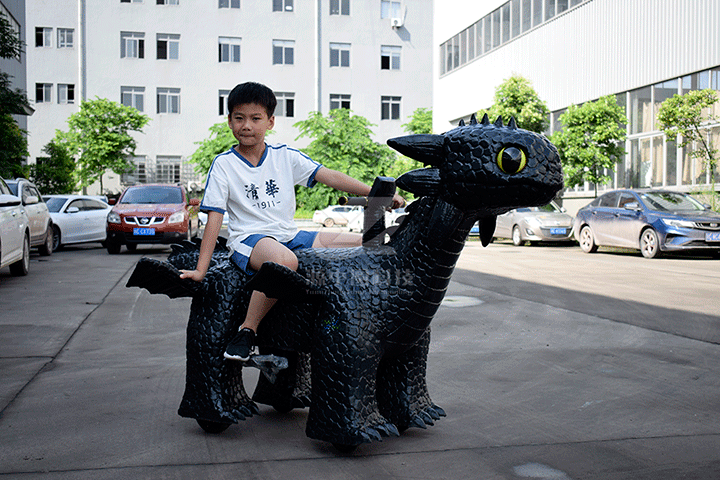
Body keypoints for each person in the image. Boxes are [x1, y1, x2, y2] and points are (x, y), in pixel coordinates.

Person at [179, 82, 404, 361]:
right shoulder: (225, 164)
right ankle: (247, 331)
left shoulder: (285, 156)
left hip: (290, 234)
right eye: (239, 118)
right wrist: (201, 270)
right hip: (251, 240)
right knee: (285, 261)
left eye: (255, 118)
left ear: (270, 122)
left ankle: (340, 324)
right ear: (229, 121)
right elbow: (215, 217)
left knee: (367, 245)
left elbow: (330, 176)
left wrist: (377, 193)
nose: (246, 125)